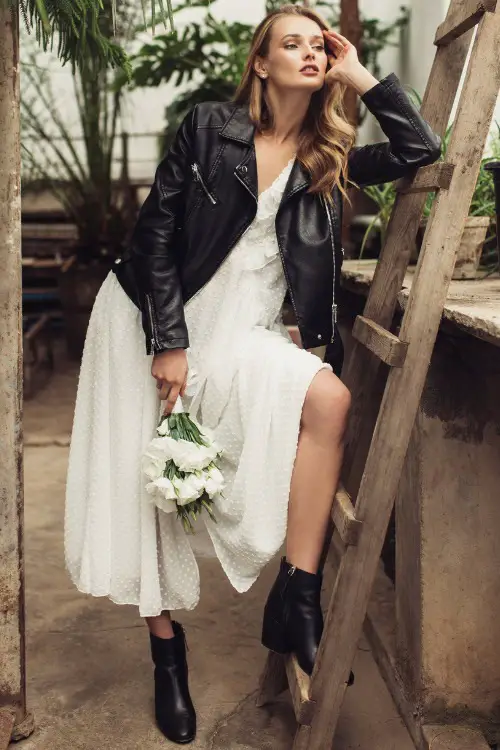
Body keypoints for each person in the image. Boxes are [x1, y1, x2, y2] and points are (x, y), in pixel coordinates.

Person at [64, 3, 441, 745]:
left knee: (330, 400)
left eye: (318, 44)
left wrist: (361, 75)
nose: (308, 53)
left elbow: (420, 148)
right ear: (260, 65)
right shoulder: (210, 128)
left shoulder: (327, 157)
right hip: (152, 313)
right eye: (290, 43)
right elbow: (158, 234)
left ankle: (297, 597)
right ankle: (166, 656)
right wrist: (167, 340)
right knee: (153, 493)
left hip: (245, 332)